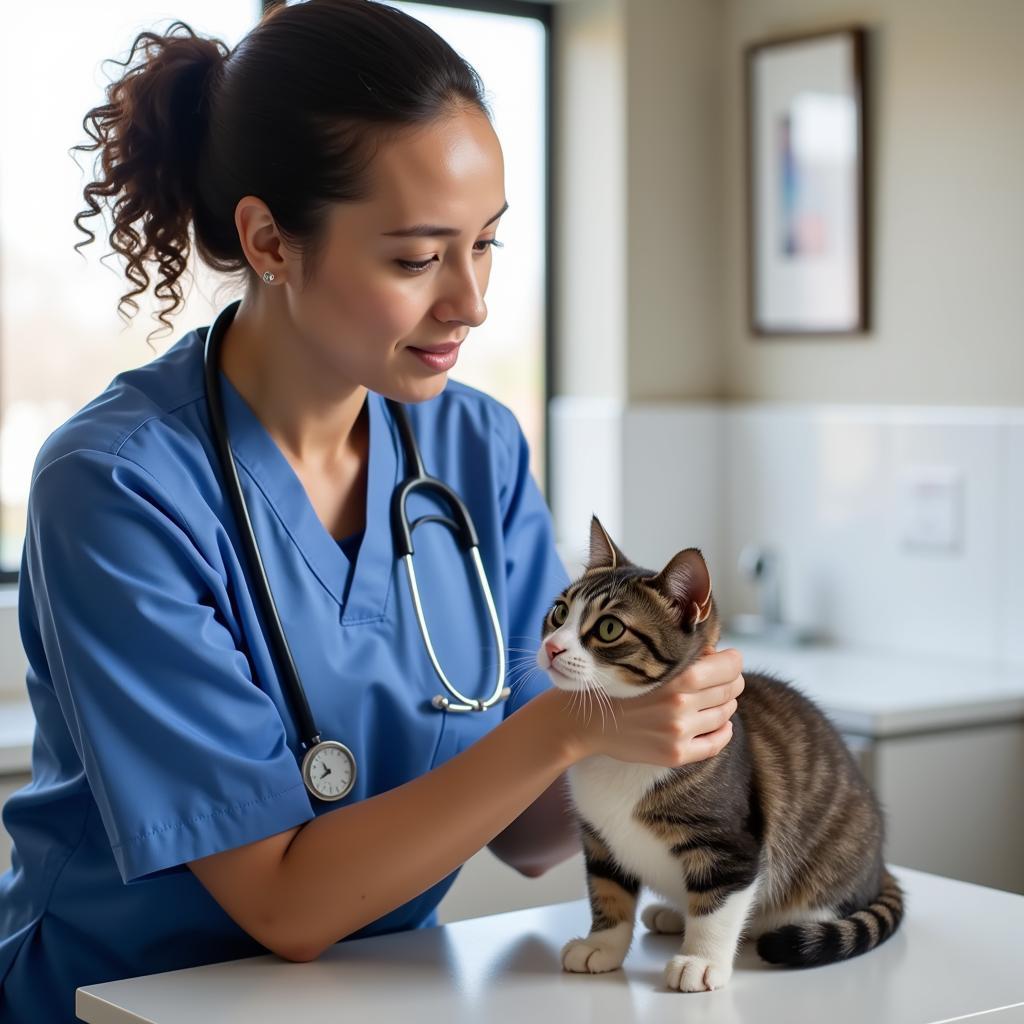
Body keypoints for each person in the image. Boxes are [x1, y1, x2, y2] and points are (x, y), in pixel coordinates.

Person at [0, 2, 745, 1020]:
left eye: (484, 244)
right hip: (118, 1000)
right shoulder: (117, 484)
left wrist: (656, 712)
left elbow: (530, 830)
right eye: (415, 257)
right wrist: (573, 728)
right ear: (267, 239)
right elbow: (287, 904)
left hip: (371, 999)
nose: (470, 301)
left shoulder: (471, 446)